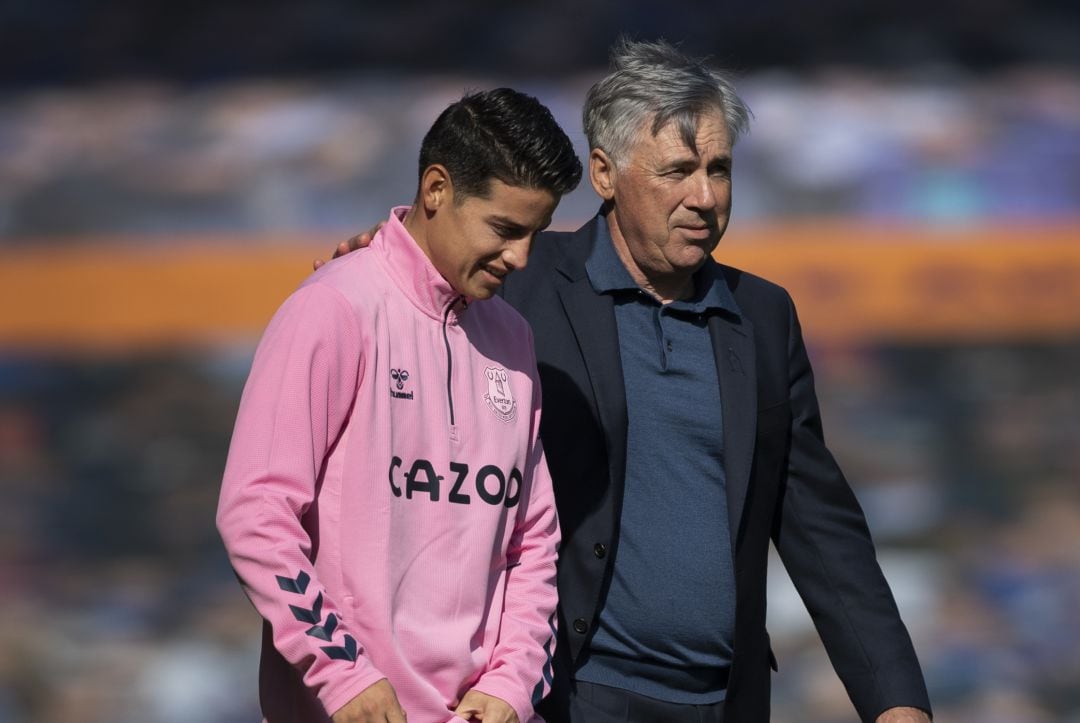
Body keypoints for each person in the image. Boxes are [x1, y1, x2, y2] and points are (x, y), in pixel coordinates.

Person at [323, 40, 933, 723]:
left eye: (719, 169)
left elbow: (820, 526)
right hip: (566, 694)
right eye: (677, 170)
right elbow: (412, 288)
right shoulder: (516, 281)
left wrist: (896, 699)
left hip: (724, 702)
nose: (703, 196)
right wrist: (378, 256)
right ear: (606, 174)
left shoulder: (763, 317)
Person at [218, 88, 582, 723]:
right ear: (436, 189)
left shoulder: (513, 337)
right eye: (505, 229)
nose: (521, 257)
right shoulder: (333, 307)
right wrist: (344, 675)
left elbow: (533, 539)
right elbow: (255, 515)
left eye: (535, 234)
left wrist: (512, 684)